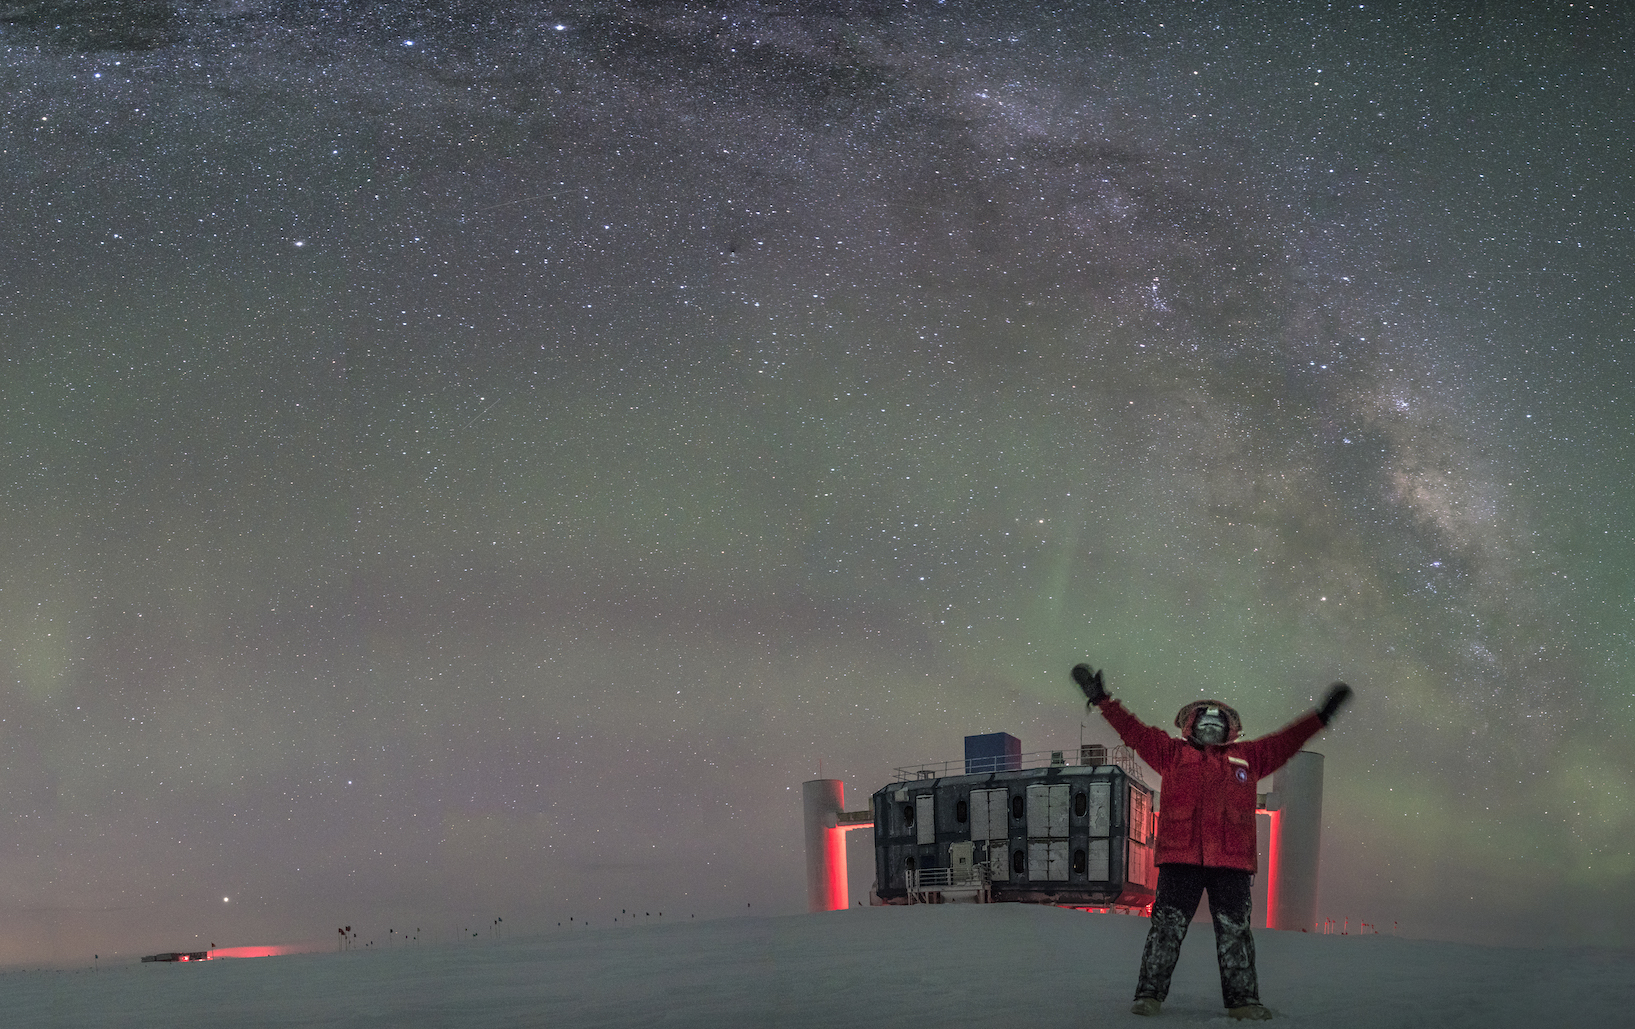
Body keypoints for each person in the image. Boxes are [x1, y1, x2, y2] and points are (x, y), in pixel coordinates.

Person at [1071, 664, 1352, 1021]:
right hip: (1180, 860)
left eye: (1217, 725)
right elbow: (1134, 732)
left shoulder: (1249, 758)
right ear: (1190, 726)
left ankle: (1243, 1002)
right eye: (1203, 723)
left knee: (1235, 932)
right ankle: (1149, 996)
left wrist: (1321, 717)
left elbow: (1287, 740)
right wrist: (1101, 699)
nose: (1210, 729)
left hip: (1232, 864)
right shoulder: (1170, 754)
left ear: (1229, 730)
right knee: (1166, 928)